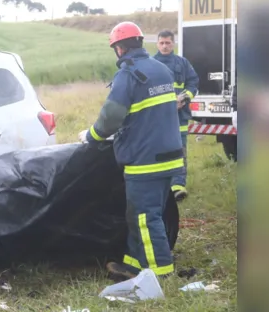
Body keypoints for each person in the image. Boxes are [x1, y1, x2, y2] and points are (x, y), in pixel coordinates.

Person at [78, 22, 185, 282]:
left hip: (144, 159)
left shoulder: (129, 74)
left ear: (119, 48)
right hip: (169, 155)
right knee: (145, 214)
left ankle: (158, 272)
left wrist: (91, 136)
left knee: (145, 219)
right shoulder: (161, 69)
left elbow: (112, 116)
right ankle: (134, 263)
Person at [152, 30, 199, 201]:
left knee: (180, 150)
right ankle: (161, 185)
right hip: (158, 119)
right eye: (162, 43)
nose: (165, 46)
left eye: (168, 43)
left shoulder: (183, 63)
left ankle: (178, 185)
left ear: (173, 44)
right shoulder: (151, 64)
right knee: (158, 151)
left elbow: (193, 82)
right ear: (157, 44)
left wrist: (185, 97)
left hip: (180, 117)